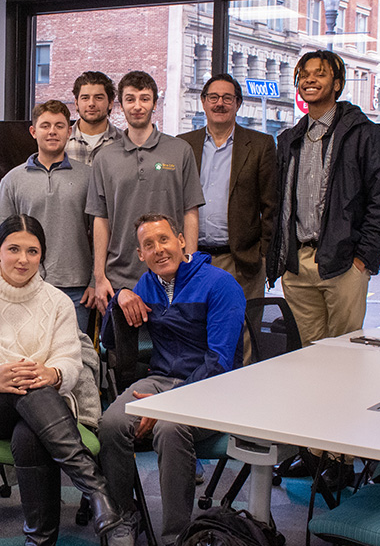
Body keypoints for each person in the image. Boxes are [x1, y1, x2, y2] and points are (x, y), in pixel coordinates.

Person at [0, 214, 121, 546]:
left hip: (41, 407)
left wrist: (55, 372)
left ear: (41, 256)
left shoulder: (58, 302)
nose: (23, 259)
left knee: (30, 434)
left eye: (32, 251)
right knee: (26, 387)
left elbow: (70, 359)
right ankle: (93, 487)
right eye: (13, 249)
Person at [97, 214, 245, 546]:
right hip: (161, 380)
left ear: (181, 241)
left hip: (214, 388)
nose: (158, 249)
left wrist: (166, 404)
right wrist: (120, 297)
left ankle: (177, 538)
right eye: (149, 245)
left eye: (164, 240)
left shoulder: (220, 284)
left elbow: (220, 361)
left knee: (169, 426)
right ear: (140, 254)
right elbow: (108, 339)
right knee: (111, 424)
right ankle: (124, 516)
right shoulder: (147, 286)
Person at [267, 50, 380, 345]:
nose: (310, 79)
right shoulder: (290, 139)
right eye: (304, 74)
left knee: (345, 357)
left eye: (320, 73)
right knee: (306, 357)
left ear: (337, 84)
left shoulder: (363, 134)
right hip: (298, 265)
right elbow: (280, 204)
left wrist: (363, 259)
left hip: (344, 264)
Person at [87, 70, 204, 310]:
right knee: (129, 346)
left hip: (172, 274)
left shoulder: (180, 150)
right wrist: (100, 277)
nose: (137, 106)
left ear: (154, 102)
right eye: (130, 99)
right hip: (121, 279)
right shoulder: (104, 157)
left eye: (144, 98)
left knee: (170, 345)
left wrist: (189, 268)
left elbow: (190, 211)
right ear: (120, 104)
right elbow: (101, 219)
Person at [180, 75, 277, 360]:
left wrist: (263, 255)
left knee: (245, 334)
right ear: (203, 102)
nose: (219, 103)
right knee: (197, 329)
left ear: (238, 104)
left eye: (227, 98)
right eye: (213, 97)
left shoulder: (260, 145)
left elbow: (271, 205)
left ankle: (243, 396)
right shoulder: (184, 145)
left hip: (242, 258)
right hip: (194, 259)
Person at [0, 99, 94, 333]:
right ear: (33, 131)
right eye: (45, 125)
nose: (52, 132)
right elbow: (0, 238)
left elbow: (99, 233)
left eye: (59, 126)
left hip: (75, 288)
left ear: (69, 131)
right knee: (25, 355)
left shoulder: (88, 177)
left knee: (71, 359)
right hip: (25, 284)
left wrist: (95, 282)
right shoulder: (12, 180)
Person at [66, 71, 122, 166]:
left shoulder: (124, 141)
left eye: (98, 98)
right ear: (76, 103)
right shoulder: (61, 141)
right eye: (85, 98)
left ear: (110, 103)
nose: (91, 103)